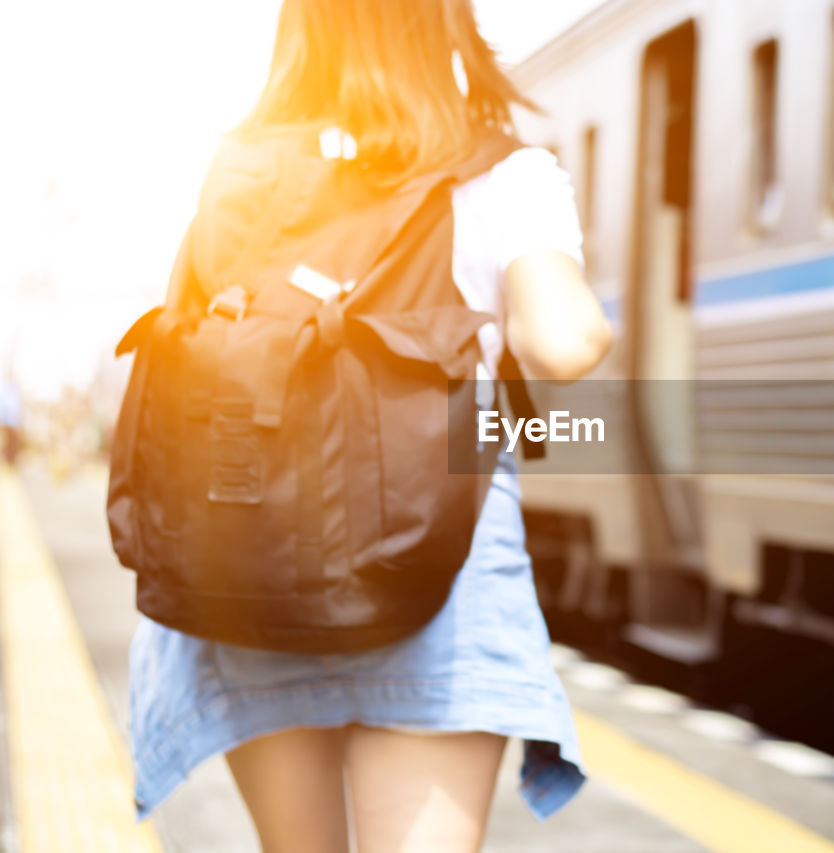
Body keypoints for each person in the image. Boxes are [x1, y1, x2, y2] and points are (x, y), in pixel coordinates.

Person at [126, 2, 613, 851]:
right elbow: (563, 343)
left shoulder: (237, 177)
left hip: (251, 573)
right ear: (443, 34)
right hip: (440, 578)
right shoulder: (505, 175)